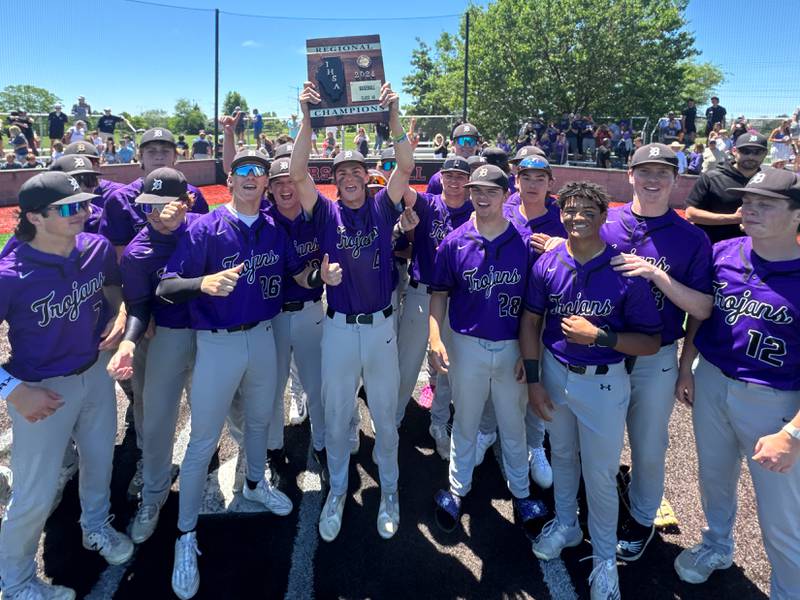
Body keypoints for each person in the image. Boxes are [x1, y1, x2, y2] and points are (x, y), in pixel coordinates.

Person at [156, 149, 333, 599]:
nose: (254, 177)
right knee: (203, 440)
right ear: (230, 180)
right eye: (244, 171)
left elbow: (299, 273)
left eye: (260, 171)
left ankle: (255, 483)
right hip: (217, 342)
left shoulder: (274, 227)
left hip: (262, 337)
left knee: (260, 419)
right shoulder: (206, 226)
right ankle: (185, 534)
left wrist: (323, 277)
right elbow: (166, 286)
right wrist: (203, 283)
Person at [520, 181, 662, 600]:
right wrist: (533, 381)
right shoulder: (548, 264)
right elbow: (530, 321)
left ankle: (603, 560)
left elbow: (650, 342)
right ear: (560, 213)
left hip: (603, 380)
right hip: (555, 373)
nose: (576, 216)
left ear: (604, 216)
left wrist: (600, 337)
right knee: (562, 456)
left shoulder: (623, 271)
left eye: (587, 210)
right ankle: (566, 525)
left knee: (599, 476)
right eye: (569, 209)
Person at [290, 79, 417, 543]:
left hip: (381, 327)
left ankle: (390, 491)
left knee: (384, 414)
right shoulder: (324, 213)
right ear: (335, 179)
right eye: (341, 172)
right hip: (340, 328)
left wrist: (394, 116)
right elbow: (298, 171)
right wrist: (306, 116)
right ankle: (338, 490)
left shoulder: (384, 207)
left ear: (366, 176)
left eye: (356, 171)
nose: (348, 177)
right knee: (339, 412)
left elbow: (406, 164)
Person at [0, 171, 133, 600]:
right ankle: (16, 581)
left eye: (85, 204)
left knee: (100, 463)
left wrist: (117, 314)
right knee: (33, 494)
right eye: (70, 208)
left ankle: (95, 526)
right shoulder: (11, 271)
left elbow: (114, 288)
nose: (85, 213)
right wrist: (12, 390)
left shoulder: (95, 248)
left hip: (94, 374)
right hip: (40, 388)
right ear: (35, 217)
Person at [673, 168, 800, 599]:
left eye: (767, 203)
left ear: (797, 215)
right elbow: (702, 314)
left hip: (776, 403)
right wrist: (686, 361)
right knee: (713, 476)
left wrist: (794, 432)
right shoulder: (724, 251)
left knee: (782, 515)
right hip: (711, 380)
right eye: (748, 201)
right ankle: (716, 545)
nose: (751, 209)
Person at [593, 143, 713, 563]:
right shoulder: (605, 221)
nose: (653, 179)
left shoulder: (691, 237)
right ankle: (601, 504)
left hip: (656, 357)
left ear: (676, 180)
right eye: (645, 171)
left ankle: (642, 517)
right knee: (598, 440)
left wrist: (685, 369)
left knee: (648, 443)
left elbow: (701, 308)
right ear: (630, 175)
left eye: (663, 172)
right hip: (603, 353)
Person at [429, 163, 550, 541]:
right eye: (476, 190)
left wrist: (530, 356)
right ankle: (456, 489)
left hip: (513, 345)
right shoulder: (455, 241)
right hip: (466, 345)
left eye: (491, 191)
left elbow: (537, 309)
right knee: (464, 420)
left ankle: (522, 493)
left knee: (513, 425)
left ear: (506, 195)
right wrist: (435, 338)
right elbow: (438, 295)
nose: (481, 197)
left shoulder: (526, 242)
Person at [104, 168, 199, 548]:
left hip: (212, 334)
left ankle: (252, 466)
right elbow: (140, 305)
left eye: (168, 202)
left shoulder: (206, 228)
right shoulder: (138, 251)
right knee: (158, 419)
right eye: (151, 204)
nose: (159, 211)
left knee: (235, 405)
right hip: (168, 339)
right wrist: (129, 341)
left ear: (187, 202)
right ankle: (155, 494)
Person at [395, 156, 473, 458]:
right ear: (441, 176)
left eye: (460, 176)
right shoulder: (428, 203)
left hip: (456, 298)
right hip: (421, 293)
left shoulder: (475, 210)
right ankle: (394, 419)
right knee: (407, 363)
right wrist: (404, 155)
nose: (454, 182)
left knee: (448, 367)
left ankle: (439, 423)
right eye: (449, 175)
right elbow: (403, 189)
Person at [100, 127, 209, 258]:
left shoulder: (193, 194)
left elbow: (205, 239)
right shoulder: (119, 199)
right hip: (140, 272)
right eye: (151, 151)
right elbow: (116, 252)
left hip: (187, 269)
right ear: (140, 156)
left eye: (165, 151)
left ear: (175, 156)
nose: (159, 156)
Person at [686, 133, 768, 244]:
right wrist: (734, 218)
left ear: (765, 154)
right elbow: (691, 214)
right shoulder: (711, 178)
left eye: (757, 152)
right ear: (734, 151)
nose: (751, 156)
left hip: (756, 250)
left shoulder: (769, 182)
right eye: (745, 151)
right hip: (715, 249)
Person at [426, 123, 482, 195]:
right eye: (462, 141)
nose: (466, 145)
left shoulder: (484, 176)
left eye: (471, 141)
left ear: (477, 145)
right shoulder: (438, 179)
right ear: (453, 144)